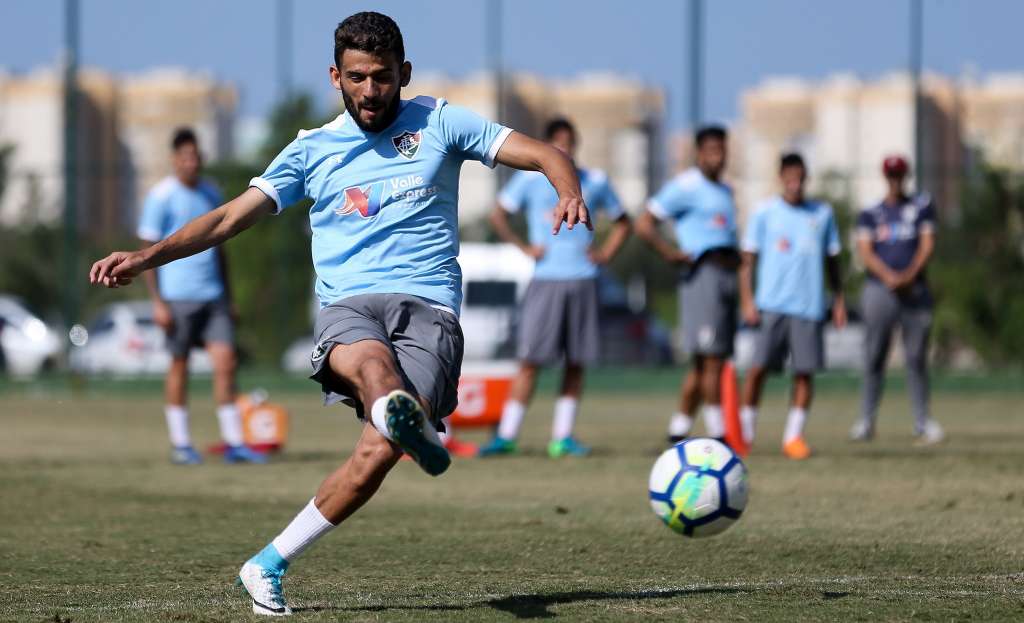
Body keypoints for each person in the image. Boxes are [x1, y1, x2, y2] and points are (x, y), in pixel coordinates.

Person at [90, 12, 591, 617]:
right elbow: (226, 219)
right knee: (374, 366)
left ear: (403, 73)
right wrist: (148, 257)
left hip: (430, 308)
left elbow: (545, 152)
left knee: (375, 455)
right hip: (350, 306)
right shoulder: (311, 151)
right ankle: (399, 413)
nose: (371, 92)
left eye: (382, 77)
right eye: (357, 77)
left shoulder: (442, 121)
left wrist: (568, 191)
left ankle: (268, 561)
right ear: (336, 75)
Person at [479, 117, 631, 458]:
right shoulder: (530, 180)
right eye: (557, 142)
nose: (564, 148)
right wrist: (524, 248)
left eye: (569, 141)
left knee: (576, 361)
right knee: (531, 359)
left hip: (584, 280)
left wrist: (605, 253)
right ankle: (507, 435)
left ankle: (562, 437)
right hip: (546, 279)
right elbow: (498, 214)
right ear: (547, 145)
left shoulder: (595, 181)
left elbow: (624, 222)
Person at [136, 128, 264, 465]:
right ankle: (181, 442)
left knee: (226, 363)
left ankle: (235, 441)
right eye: (185, 157)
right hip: (177, 296)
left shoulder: (211, 193)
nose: (191, 163)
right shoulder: (161, 196)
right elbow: (147, 251)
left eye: (195, 157)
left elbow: (221, 247)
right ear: (175, 160)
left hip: (214, 296)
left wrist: (230, 295)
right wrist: (158, 302)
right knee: (180, 364)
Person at [738, 153, 847, 460]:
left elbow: (833, 260)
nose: (794, 180)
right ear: (781, 177)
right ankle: (745, 435)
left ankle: (793, 437)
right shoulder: (764, 213)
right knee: (758, 369)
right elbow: (747, 261)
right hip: (771, 305)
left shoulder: (822, 214)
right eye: (789, 174)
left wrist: (838, 299)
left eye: (799, 174)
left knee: (804, 373)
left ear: (805, 177)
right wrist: (747, 299)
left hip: (809, 306)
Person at [636, 125, 739, 445]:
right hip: (701, 274)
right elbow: (645, 223)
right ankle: (719, 433)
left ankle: (679, 427)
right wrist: (669, 253)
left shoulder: (726, 191)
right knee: (710, 358)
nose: (717, 157)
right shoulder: (685, 186)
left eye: (721, 150)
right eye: (710, 150)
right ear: (699, 153)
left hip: (727, 273)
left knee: (707, 360)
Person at [849, 155, 944, 445]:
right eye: (891, 175)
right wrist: (889, 276)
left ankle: (922, 421)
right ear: (884, 177)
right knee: (874, 356)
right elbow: (865, 251)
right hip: (879, 290)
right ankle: (866, 420)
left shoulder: (921, 207)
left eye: (899, 174)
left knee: (916, 357)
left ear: (906, 176)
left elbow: (927, 244)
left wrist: (910, 275)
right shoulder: (871, 212)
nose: (895, 180)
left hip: (914, 290)